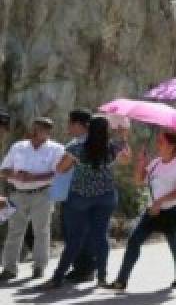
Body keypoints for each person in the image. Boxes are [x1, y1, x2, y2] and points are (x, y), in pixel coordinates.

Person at [49, 116, 130, 287]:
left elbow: (60, 168)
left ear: (89, 129)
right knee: (101, 237)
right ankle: (102, 277)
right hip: (106, 197)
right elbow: (125, 160)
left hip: (80, 197)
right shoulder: (112, 148)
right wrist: (123, 137)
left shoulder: (75, 148)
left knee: (75, 239)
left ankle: (57, 277)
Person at [109, 130, 176, 292]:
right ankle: (121, 280)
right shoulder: (155, 163)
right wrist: (141, 163)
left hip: (174, 211)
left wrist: (160, 201)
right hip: (152, 211)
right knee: (133, 241)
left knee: (175, 244)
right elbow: (139, 181)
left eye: (161, 142)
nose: (157, 145)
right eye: (158, 141)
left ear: (172, 146)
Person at [0, 117, 64, 281]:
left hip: (42, 194)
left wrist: (34, 177)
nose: (37, 132)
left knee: (41, 231)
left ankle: (39, 267)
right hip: (18, 193)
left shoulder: (56, 149)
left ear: (48, 132)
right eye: (36, 128)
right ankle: (9, 268)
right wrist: (15, 175)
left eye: (42, 129)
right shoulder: (18, 147)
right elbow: (4, 170)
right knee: (14, 231)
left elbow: (57, 173)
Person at [51, 109, 95, 282]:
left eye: (70, 123)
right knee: (85, 232)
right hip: (88, 194)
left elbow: (62, 167)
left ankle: (82, 270)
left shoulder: (77, 145)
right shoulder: (95, 142)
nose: (68, 126)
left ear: (78, 124)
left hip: (76, 194)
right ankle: (85, 268)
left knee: (74, 233)